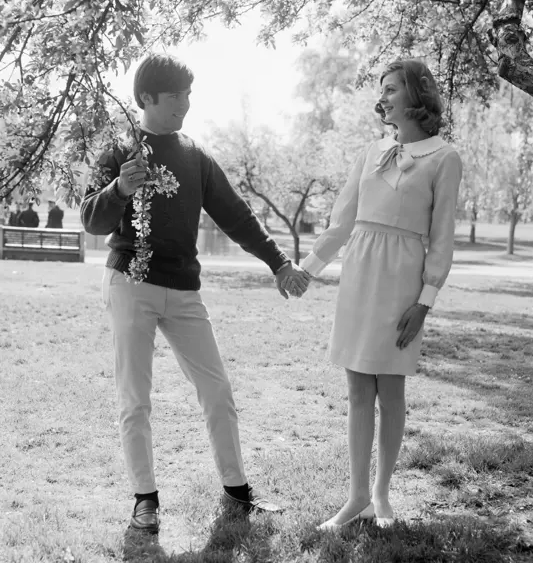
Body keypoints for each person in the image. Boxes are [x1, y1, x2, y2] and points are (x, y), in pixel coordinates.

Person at [80, 53, 310, 536]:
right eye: (175, 96)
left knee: (217, 390)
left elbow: (235, 214)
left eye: (188, 94)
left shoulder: (195, 155)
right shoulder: (118, 149)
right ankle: (145, 499)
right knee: (135, 398)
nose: (185, 103)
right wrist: (120, 188)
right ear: (146, 99)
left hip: (184, 291)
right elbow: (92, 220)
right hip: (130, 285)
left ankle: (237, 493)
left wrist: (279, 262)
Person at [286, 59, 462, 530]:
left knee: (392, 387)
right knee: (358, 387)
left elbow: (442, 239)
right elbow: (342, 222)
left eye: (390, 88)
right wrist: (307, 270)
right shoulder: (369, 151)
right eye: (381, 90)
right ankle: (357, 497)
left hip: (402, 280)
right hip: (360, 273)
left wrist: (424, 301)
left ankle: (382, 495)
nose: (382, 97)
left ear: (414, 95)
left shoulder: (445, 158)